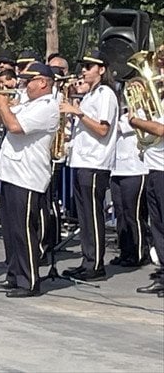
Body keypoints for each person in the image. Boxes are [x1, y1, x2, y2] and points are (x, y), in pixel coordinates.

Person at [0, 61, 59, 298]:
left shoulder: (48, 106)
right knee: (10, 231)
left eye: (28, 81)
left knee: (23, 231)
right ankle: (14, 275)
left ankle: (28, 280)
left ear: (43, 83)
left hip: (28, 176)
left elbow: (15, 126)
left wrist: (3, 105)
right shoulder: (29, 103)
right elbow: (4, 122)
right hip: (11, 172)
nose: (24, 85)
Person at [59, 49, 118, 281]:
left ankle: (95, 265)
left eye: (88, 67)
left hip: (95, 162)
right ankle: (87, 260)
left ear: (101, 70)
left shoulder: (105, 93)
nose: (83, 71)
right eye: (83, 66)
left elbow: (103, 129)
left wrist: (79, 113)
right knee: (84, 215)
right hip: (82, 160)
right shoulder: (91, 94)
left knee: (93, 215)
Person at [109, 101, 149, 268]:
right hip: (117, 169)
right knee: (121, 214)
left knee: (133, 214)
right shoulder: (120, 114)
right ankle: (125, 251)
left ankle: (139, 252)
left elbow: (118, 127)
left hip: (135, 169)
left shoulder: (140, 113)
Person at [128, 111, 164, 296]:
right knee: (157, 227)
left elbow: (160, 129)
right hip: (154, 168)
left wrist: (135, 121)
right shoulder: (157, 104)